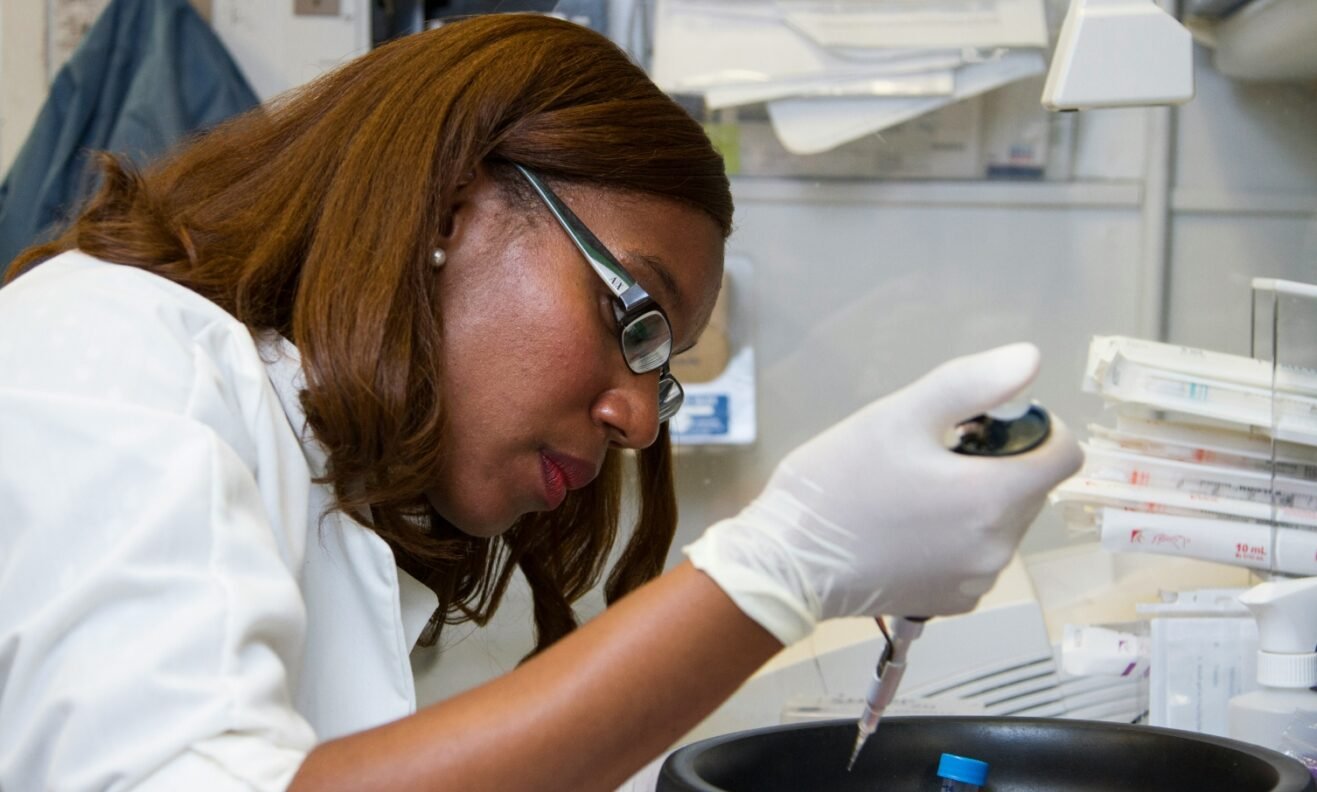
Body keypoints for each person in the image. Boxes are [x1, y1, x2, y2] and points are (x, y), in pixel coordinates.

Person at [0, 12, 1083, 791]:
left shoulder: (319, 473)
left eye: (663, 370)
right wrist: (779, 570)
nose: (641, 421)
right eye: (636, 316)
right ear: (453, 206)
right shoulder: (110, 358)